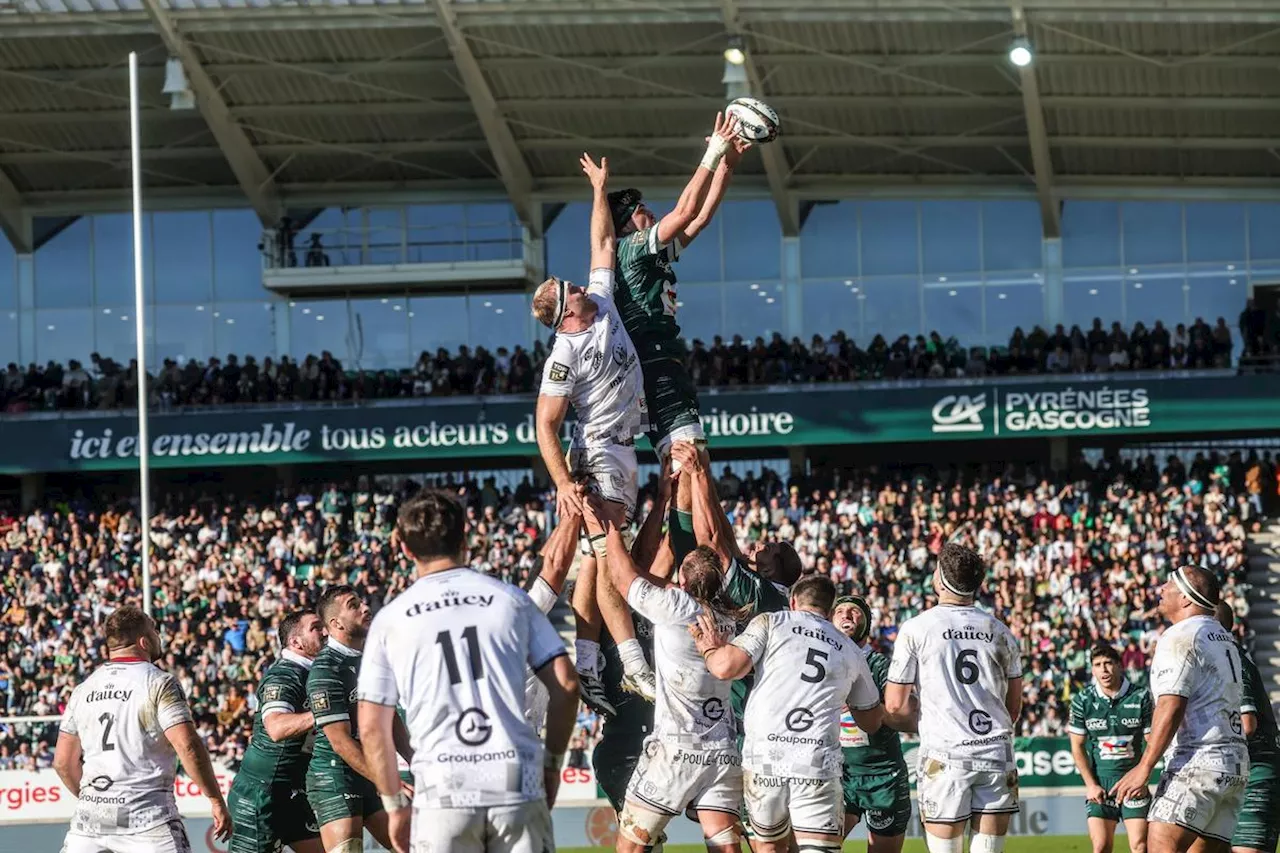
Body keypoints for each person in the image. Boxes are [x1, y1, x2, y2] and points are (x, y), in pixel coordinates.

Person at [356, 489, 579, 853]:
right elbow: (567, 685)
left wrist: (395, 805)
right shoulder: (512, 601)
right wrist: (552, 766)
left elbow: (370, 724)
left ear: (405, 549)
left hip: (442, 790)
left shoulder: (390, 619)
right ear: (466, 539)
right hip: (514, 782)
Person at [531, 152, 656, 711]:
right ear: (566, 315)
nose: (577, 283)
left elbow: (603, 246)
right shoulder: (564, 354)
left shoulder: (601, 303)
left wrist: (599, 191)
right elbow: (545, 423)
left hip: (625, 448)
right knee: (608, 556)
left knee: (594, 559)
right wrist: (562, 482)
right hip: (600, 452)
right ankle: (629, 663)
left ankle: (587, 665)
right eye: (569, 288)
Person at [579, 492, 743, 853]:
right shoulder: (731, 618)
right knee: (726, 846)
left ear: (682, 581)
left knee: (632, 847)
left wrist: (605, 525)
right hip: (722, 750)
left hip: (677, 751)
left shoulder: (675, 606)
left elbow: (623, 576)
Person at [692, 576, 883, 853]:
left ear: (793, 602)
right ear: (830, 612)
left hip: (766, 760)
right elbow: (871, 721)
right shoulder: (850, 648)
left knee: (769, 847)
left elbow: (725, 668)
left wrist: (708, 646)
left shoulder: (772, 622)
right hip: (817, 763)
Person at [53, 605, 231, 853]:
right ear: (144, 641)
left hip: (90, 823)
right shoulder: (158, 682)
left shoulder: (83, 689)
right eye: (155, 631)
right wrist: (215, 799)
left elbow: (63, 762)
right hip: (147, 819)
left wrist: (94, 800)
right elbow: (187, 745)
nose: (159, 637)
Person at [884, 543, 1024, 853]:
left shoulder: (917, 628)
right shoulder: (1002, 631)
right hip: (997, 753)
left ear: (942, 579)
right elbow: (1012, 709)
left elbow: (894, 704)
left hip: (946, 755)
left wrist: (917, 718)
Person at [1111, 566, 1250, 853]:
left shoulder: (1179, 637)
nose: (1161, 589)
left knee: (1161, 848)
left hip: (1197, 762)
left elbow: (1171, 704)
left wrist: (1144, 767)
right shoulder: (1225, 638)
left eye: (1168, 585)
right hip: (1234, 765)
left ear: (1186, 598)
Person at [305, 585, 411, 853]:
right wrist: (388, 781)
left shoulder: (373, 660)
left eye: (362, 602)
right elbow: (339, 741)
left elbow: (392, 721)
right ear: (335, 623)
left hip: (369, 771)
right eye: (354, 605)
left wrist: (419, 761)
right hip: (335, 775)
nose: (365, 607)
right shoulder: (326, 670)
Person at [227, 610, 327, 853]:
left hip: (293, 791)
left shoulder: (315, 673)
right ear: (296, 642)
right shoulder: (284, 675)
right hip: (262, 794)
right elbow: (276, 727)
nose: (325, 632)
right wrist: (325, 712)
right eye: (316, 627)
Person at [832, 594, 912, 852]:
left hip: (883, 778)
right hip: (838, 775)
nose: (845, 615)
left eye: (854, 611)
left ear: (866, 622)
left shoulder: (880, 665)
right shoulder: (823, 663)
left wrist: (865, 707)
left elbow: (904, 713)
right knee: (814, 847)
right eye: (839, 610)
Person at [1067, 641, 1154, 853]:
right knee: (1101, 847)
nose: (1104, 669)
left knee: (1140, 846)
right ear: (1092, 669)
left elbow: (1153, 742)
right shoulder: (1082, 700)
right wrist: (1090, 785)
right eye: (1097, 664)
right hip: (1101, 786)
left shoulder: (1141, 696)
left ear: (1118, 665)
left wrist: (1143, 776)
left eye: (1108, 663)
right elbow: (1077, 747)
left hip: (1133, 783)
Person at [1214, 603, 1280, 853]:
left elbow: (1247, 724)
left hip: (1255, 773)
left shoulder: (1233, 660)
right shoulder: (1223, 658)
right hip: (1234, 774)